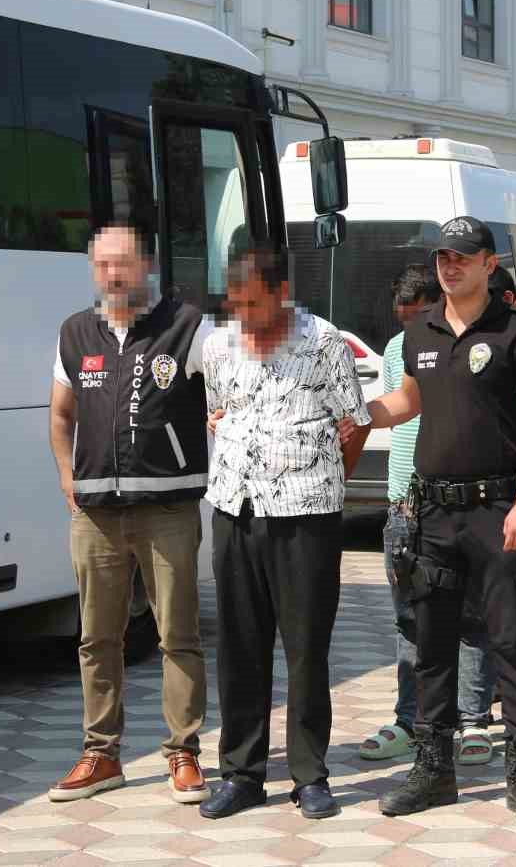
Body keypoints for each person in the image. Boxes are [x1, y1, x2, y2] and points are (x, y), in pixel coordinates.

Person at [364, 216, 516, 826]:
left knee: (511, 642)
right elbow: (408, 401)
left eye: (462, 257)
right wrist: (358, 412)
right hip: (434, 513)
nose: (450, 267)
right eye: (443, 258)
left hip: (500, 510)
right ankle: (433, 770)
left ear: (488, 264)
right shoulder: (419, 330)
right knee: (432, 644)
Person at [195, 246, 371, 821]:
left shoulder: (324, 342)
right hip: (234, 511)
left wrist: (323, 484)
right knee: (239, 648)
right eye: (235, 304)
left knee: (305, 649)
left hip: (305, 518)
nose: (243, 315)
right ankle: (241, 773)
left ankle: (309, 776)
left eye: (253, 303)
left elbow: (354, 423)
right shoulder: (218, 345)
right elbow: (219, 412)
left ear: (281, 294)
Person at [47, 225, 210, 805]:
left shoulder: (187, 325)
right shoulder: (75, 332)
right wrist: (66, 474)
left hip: (168, 507)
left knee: (178, 635)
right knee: (97, 638)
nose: (113, 275)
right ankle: (101, 755)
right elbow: (61, 414)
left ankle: (183, 753)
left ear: (147, 265)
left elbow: (228, 395)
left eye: (123, 263)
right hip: (95, 515)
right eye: (103, 265)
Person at [362, 265, 499, 769]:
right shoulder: (400, 348)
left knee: (470, 615)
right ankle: (410, 719)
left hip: (461, 500)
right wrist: (348, 414)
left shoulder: (478, 343)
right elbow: (397, 406)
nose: (411, 326)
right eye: (403, 319)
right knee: (408, 618)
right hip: (404, 503)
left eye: (418, 315)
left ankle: (473, 720)